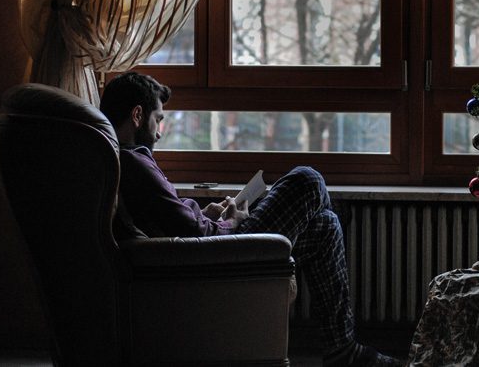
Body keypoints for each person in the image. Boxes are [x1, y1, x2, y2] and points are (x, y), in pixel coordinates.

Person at [100, 72, 402, 367]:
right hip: (214, 258)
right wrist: (233, 221)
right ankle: (344, 352)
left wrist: (206, 213)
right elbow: (189, 232)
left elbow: (174, 221)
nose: (160, 132)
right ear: (138, 115)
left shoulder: (123, 161)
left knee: (325, 226)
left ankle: (341, 350)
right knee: (307, 180)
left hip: (204, 248)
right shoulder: (133, 162)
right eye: (158, 120)